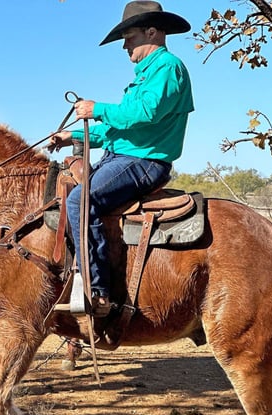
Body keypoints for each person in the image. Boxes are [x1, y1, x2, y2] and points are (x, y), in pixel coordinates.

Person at [49, 1, 194, 317]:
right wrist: (72, 137)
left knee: (78, 202)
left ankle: (96, 291)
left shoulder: (168, 68)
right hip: (125, 156)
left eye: (129, 36)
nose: (125, 45)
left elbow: (144, 113)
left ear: (151, 32)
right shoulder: (147, 74)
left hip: (144, 162)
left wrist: (96, 109)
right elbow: (120, 132)